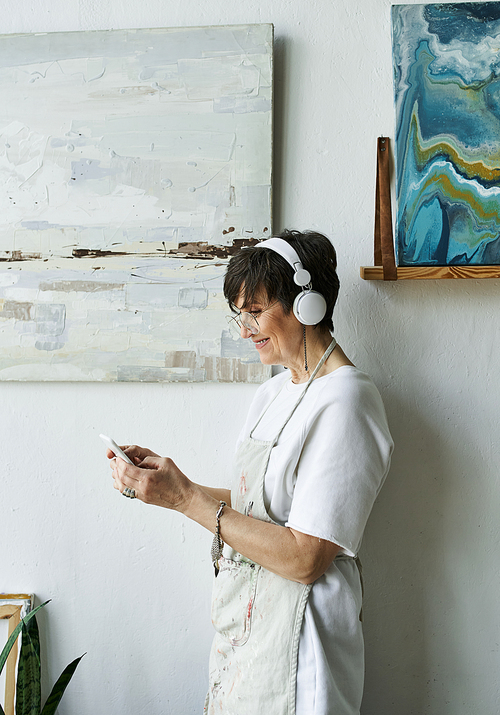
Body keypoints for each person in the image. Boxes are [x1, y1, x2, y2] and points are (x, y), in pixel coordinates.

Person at [108, 229, 393, 715]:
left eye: (255, 311)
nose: (244, 330)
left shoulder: (347, 400)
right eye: (239, 313)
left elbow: (307, 559)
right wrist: (173, 484)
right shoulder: (274, 392)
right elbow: (257, 506)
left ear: (308, 305)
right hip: (249, 627)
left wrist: (186, 501)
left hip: (304, 645)